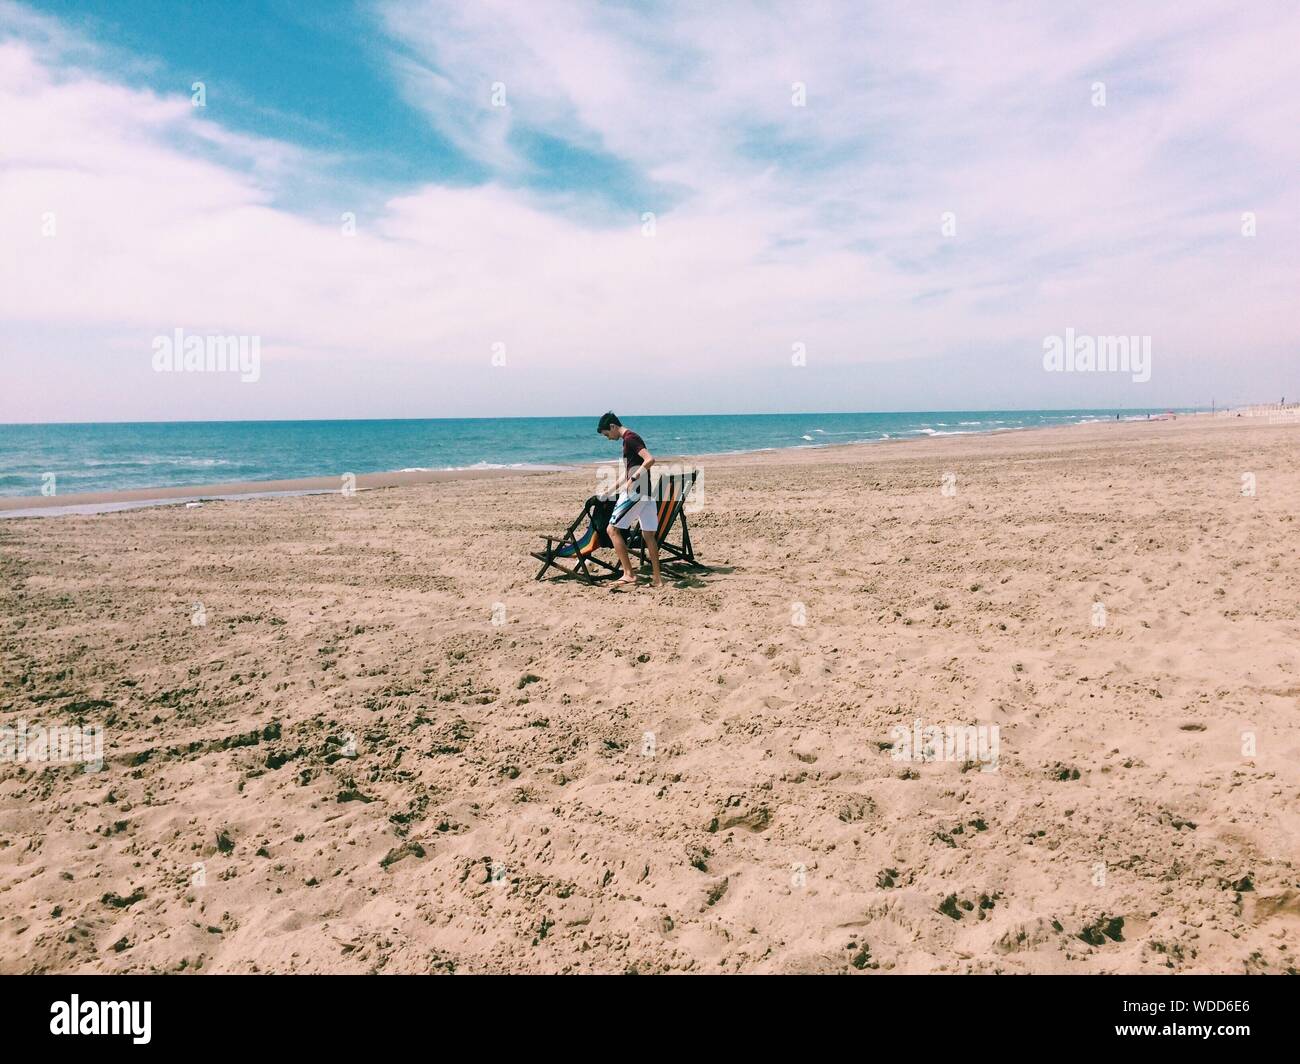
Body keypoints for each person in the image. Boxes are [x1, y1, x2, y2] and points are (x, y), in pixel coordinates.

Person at [596, 411, 662, 589]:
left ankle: (629, 574)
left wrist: (633, 480)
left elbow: (650, 460)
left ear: (612, 427)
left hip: (637, 492)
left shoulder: (630, 438)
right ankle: (657, 580)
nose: (608, 438)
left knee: (612, 530)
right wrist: (609, 490)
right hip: (647, 492)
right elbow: (628, 473)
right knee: (648, 535)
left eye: (606, 434)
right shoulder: (629, 440)